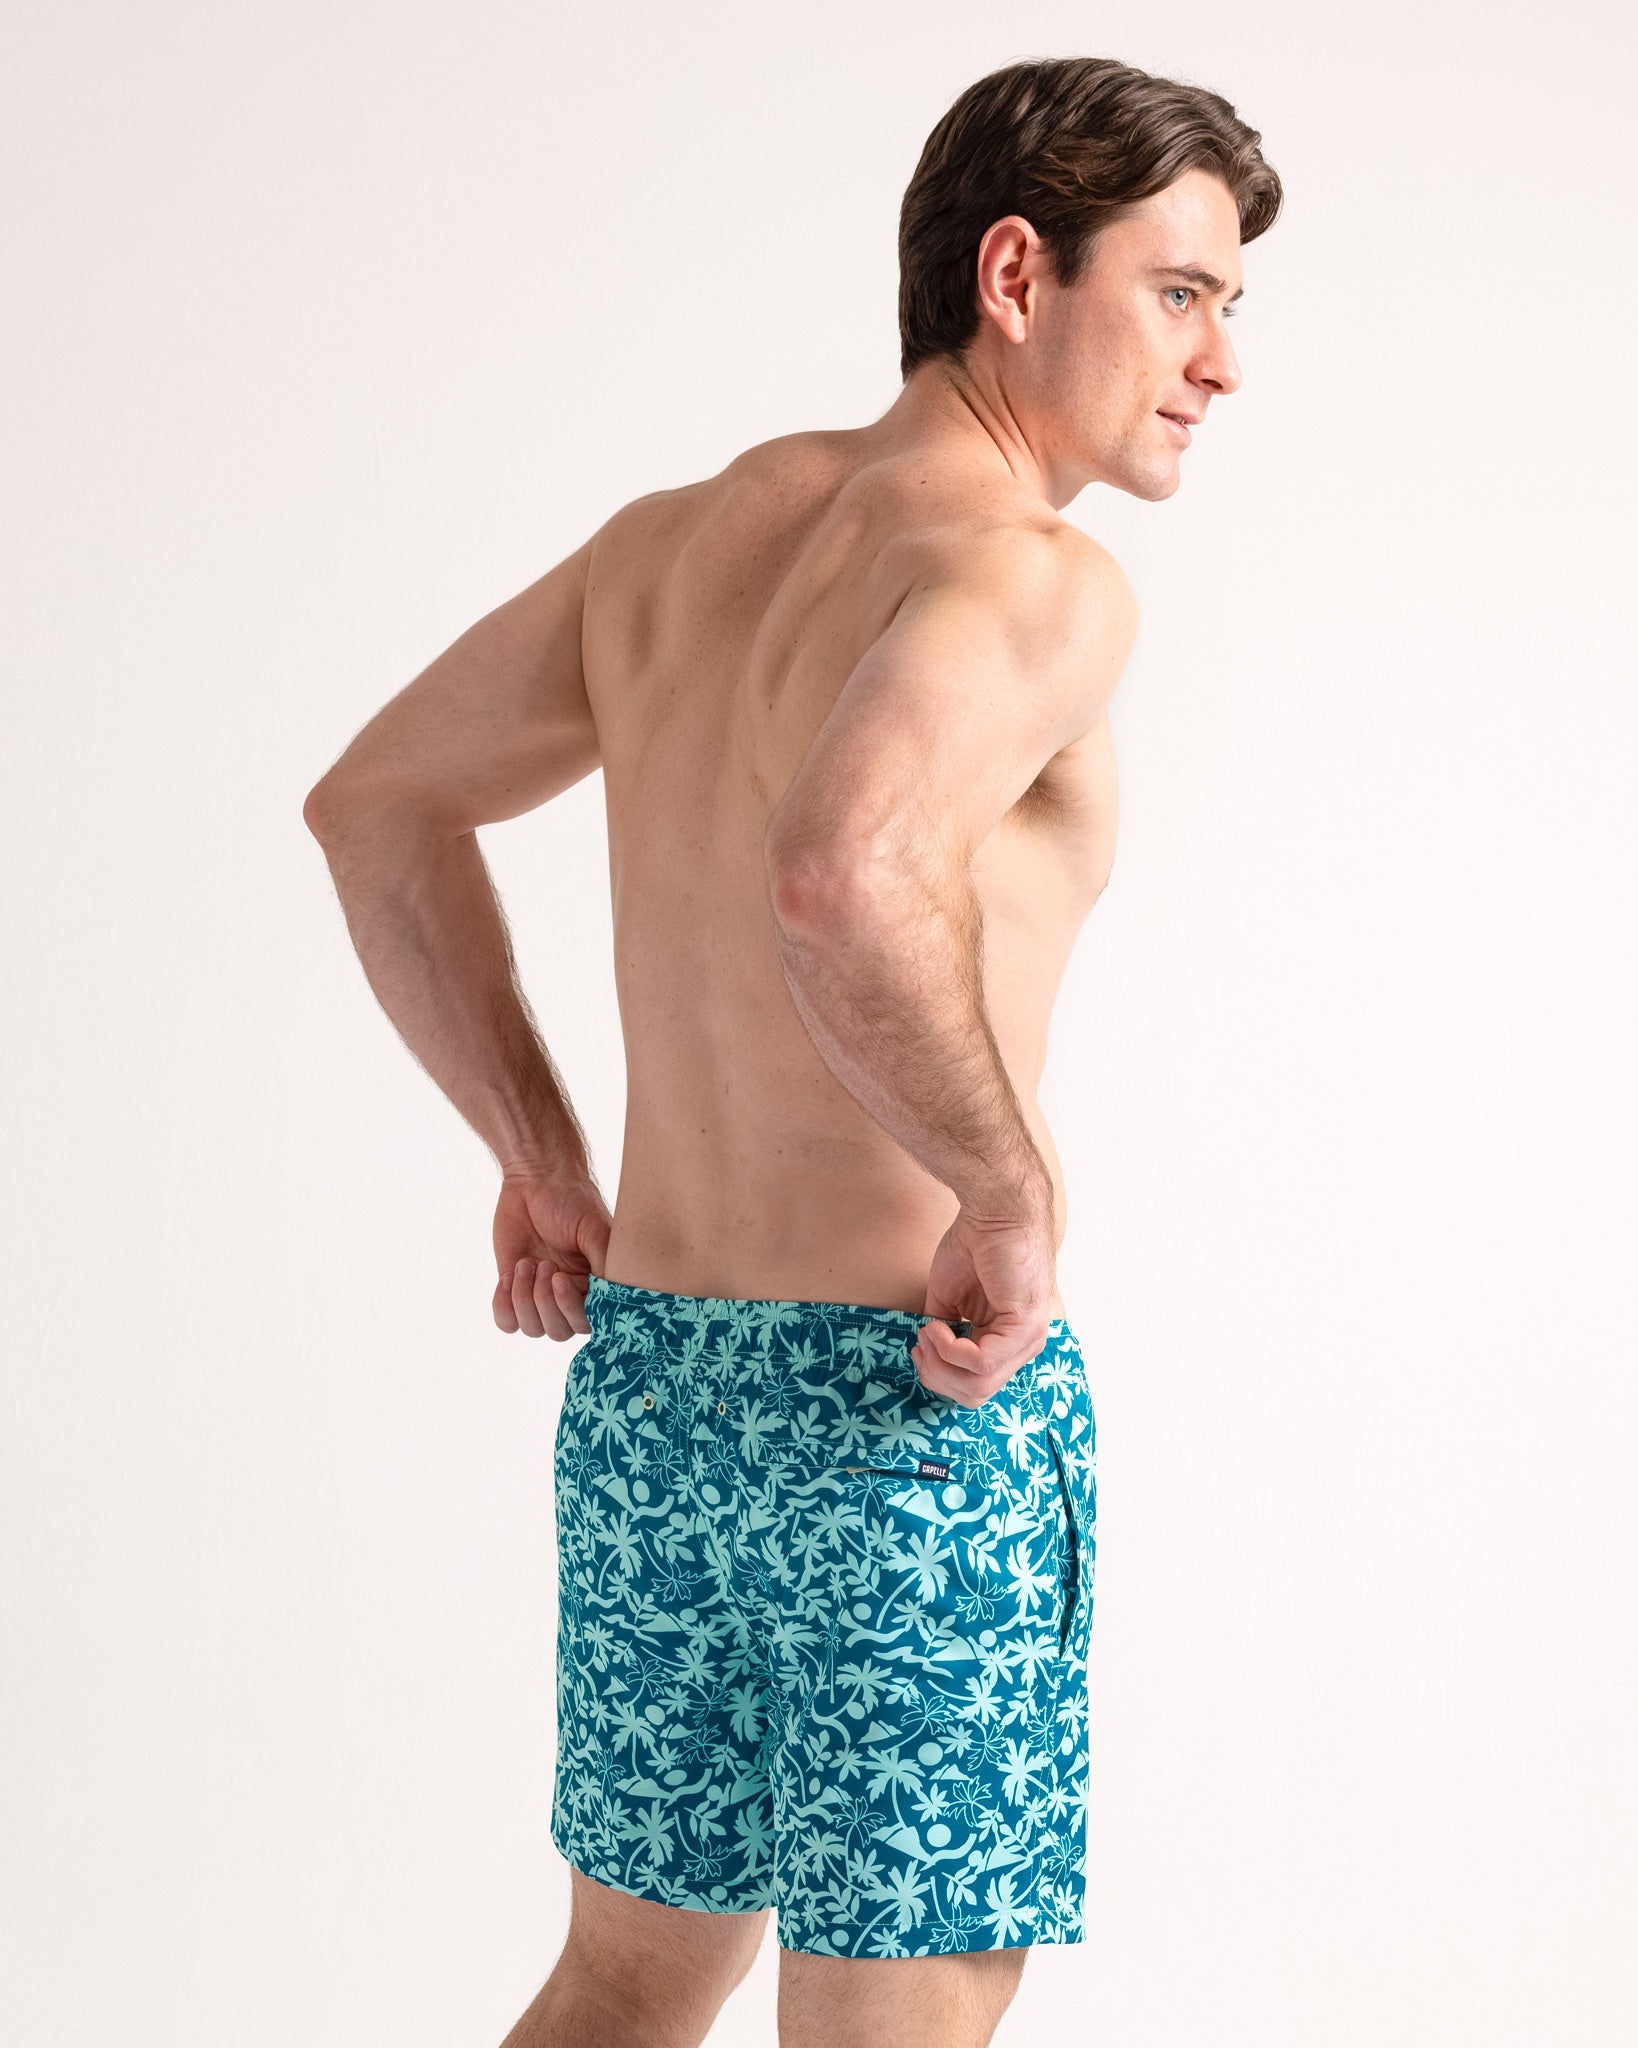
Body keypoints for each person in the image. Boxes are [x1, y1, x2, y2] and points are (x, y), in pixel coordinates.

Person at [303, 51, 1280, 2048]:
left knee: (625, 1985)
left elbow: (377, 802)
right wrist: (1010, 1190)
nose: (1220, 362)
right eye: (1181, 292)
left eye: (1233, 307)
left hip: (661, 1390)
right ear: (1019, 272)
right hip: (909, 1419)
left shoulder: (675, 546)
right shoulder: (1031, 574)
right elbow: (841, 873)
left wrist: (544, 1156)